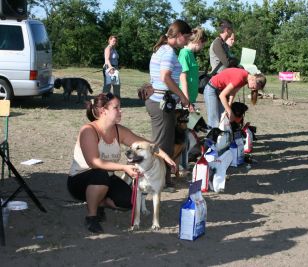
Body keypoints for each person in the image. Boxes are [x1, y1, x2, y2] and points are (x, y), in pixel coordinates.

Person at [67, 92, 176, 233]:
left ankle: (99, 201)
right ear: (103, 111)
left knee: (128, 201)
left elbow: (146, 144)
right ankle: (92, 216)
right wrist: (124, 167)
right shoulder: (88, 130)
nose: (120, 111)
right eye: (116, 108)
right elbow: (94, 162)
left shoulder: (119, 130)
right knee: (100, 175)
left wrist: (166, 157)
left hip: (106, 178)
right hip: (80, 180)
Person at [146, 20, 191, 191]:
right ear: (179, 35)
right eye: (186, 37)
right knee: (161, 146)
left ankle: (163, 180)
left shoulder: (163, 49)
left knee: (165, 143)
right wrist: (182, 96)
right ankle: (157, 182)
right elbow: (166, 77)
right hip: (161, 104)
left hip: (162, 103)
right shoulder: (169, 52)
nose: (187, 41)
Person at [178, 27, 208, 108]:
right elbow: (182, 77)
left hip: (191, 99)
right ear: (198, 41)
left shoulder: (191, 54)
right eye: (203, 44)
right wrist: (186, 100)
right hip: (184, 100)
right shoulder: (184, 53)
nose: (202, 47)